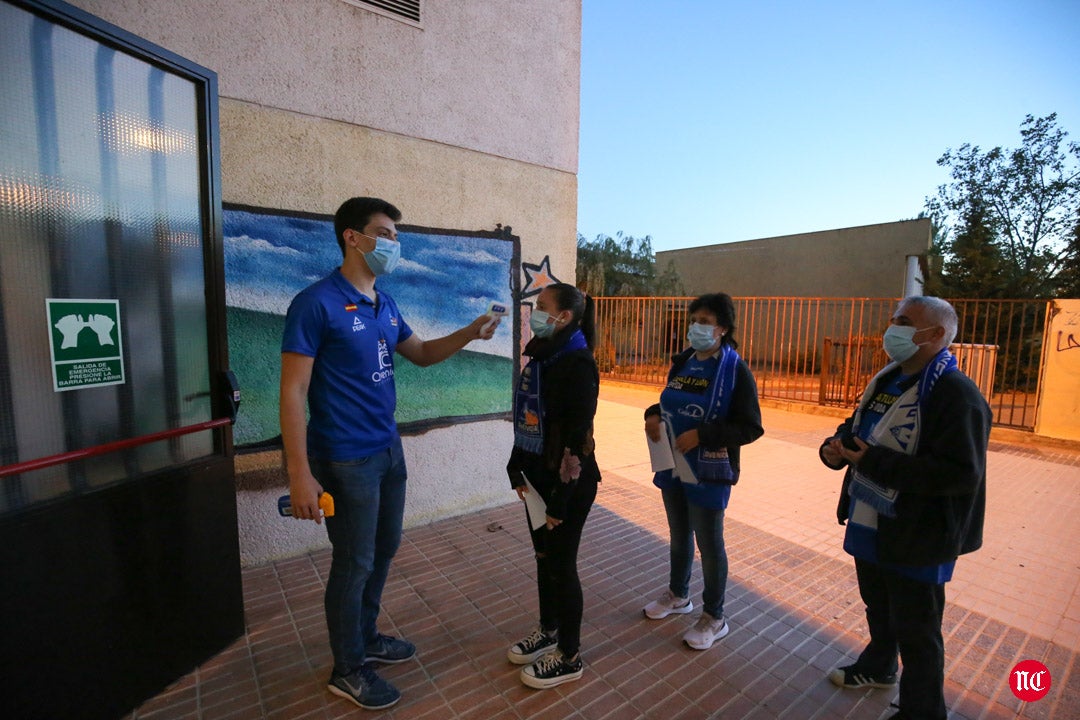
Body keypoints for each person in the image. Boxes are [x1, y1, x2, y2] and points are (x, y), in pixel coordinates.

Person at [279, 197, 498, 711]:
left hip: (387, 450)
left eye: (396, 236)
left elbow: (420, 354)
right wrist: (299, 475)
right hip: (344, 459)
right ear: (351, 237)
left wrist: (469, 331)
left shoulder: (385, 302)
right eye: (384, 233)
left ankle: (367, 637)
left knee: (383, 549)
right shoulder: (315, 303)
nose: (393, 244)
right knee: (352, 562)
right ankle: (347, 668)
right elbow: (292, 392)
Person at [819, 296, 991, 720]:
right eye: (894, 318)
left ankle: (923, 710)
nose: (892, 328)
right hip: (872, 519)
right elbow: (860, 425)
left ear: (935, 335)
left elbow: (959, 474)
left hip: (920, 534)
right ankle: (878, 667)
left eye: (904, 321)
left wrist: (872, 462)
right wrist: (837, 447)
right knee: (879, 606)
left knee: (918, 629)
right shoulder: (890, 378)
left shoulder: (956, 394)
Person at [642, 293, 763, 650]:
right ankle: (679, 595)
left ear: (723, 329)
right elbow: (669, 400)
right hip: (673, 465)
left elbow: (751, 427)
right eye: (694, 319)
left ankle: (714, 615)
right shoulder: (683, 362)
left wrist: (703, 435)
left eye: (706, 321)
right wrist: (651, 414)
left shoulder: (734, 369)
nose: (697, 326)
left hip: (708, 470)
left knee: (709, 544)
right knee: (678, 535)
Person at [505, 283, 601, 689]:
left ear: (564, 317)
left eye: (542, 307)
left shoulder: (577, 364)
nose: (535, 312)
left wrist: (560, 501)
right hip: (537, 481)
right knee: (544, 559)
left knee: (562, 566)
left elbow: (577, 440)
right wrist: (516, 468)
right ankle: (548, 631)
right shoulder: (540, 357)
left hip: (568, 487)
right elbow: (527, 418)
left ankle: (569, 655)